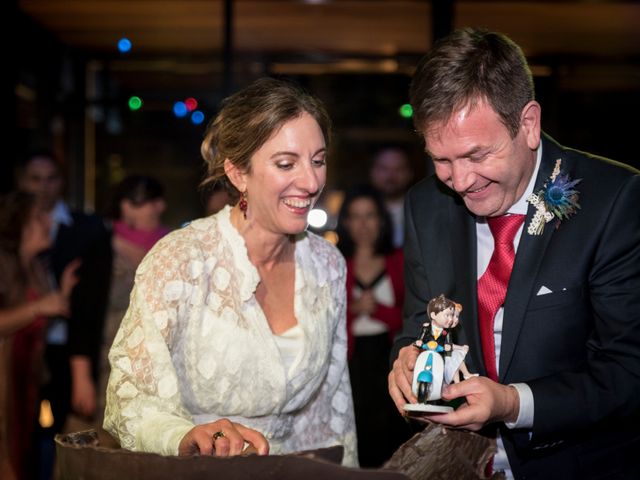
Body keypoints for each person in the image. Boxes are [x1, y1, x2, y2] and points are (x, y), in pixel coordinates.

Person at [388, 28, 640, 479]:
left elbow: (629, 370)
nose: (460, 181)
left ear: (528, 124)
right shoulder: (425, 205)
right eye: (441, 161)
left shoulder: (615, 200)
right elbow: (416, 324)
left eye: (477, 155)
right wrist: (407, 360)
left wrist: (512, 403)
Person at [104, 78, 357, 466]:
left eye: (318, 160)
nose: (310, 182)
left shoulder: (327, 265)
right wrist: (187, 434)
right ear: (239, 173)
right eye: (286, 163)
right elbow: (130, 398)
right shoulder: (180, 259)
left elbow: (333, 410)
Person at [17, 151, 112, 476]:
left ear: (62, 182)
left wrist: (81, 372)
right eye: (35, 179)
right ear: (21, 181)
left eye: (50, 179)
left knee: (61, 435)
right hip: (19, 345)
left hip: (65, 348)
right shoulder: (10, 227)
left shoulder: (86, 228)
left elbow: (88, 307)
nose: (43, 187)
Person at [0, 191, 79, 479]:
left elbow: (41, 319)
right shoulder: (4, 262)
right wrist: (40, 306)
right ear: (18, 224)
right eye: (39, 217)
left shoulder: (36, 267)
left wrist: (62, 296)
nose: (49, 221)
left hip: (26, 378)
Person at [336, 184, 408, 467]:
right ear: (346, 222)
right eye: (355, 216)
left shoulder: (398, 260)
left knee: (393, 438)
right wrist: (352, 311)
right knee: (358, 437)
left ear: (381, 220)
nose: (363, 224)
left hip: (391, 359)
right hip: (351, 365)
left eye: (370, 215)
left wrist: (377, 310)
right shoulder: (335, 262)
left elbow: (414, 317)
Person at [95, 175, 170, 443]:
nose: (159, 208)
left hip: (158, 360)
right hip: (107, 359)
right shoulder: (101, 245)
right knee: (106, 440)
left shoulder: (171, 244)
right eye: (150, 202)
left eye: (160, 201)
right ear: (127, 206)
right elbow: (85, 312)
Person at [369, 146, 414, 248]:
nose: (391, 176)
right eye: (384, 169)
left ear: (410, 173)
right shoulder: (359, 210)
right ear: (372, 172)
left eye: (399, 169)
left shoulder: (422, 210)